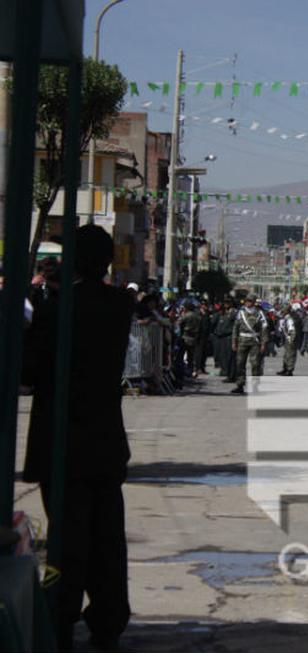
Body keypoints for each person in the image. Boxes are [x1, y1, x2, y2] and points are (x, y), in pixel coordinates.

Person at [23, 224, 135, 651]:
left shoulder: (56, 308)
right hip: (105, 442)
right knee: (107, 538)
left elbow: (30, 371)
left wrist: (42, 293)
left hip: (62, 440)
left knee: (67, 543)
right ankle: (109, 618)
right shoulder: (119, 305)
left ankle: (61, 615)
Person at [231, 294, 268, 394]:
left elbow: (264, 328)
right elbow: (235, 327)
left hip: (254, 341)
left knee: (255, 364)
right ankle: (240, 385)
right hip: (242, 340)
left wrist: (264, 343)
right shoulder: (241, 312)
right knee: (240, 363)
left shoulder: (259, 313)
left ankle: (255, 386)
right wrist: (234, 341)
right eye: (247, 301)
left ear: (254, 302)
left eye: (250, 301)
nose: (248, 302)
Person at [277, 304, 300, 376]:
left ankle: (289, 370)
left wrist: (290, 339)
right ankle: (285, 368)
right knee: (286, 355)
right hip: (287, 338)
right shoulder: (287, 318)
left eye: (283, 310)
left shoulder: (290, 319)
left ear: (287, 311)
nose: (282, 312)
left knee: (290, 354)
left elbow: (292, 330)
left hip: (290, 339)